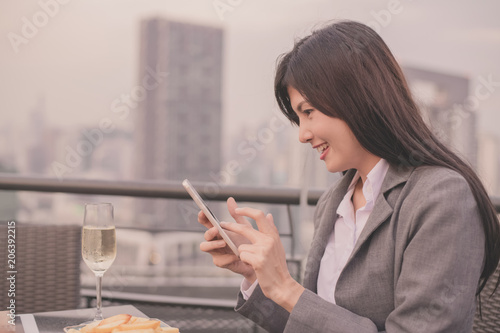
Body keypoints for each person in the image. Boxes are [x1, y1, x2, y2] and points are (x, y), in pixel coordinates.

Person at [197, 20, 500, 332]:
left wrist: (287, 288)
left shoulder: (440, 198)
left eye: (308, 112)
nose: (303, 134)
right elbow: (314, 321)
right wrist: (258, 276)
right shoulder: (334, 202)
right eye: (298, 117)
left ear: (356, 97)